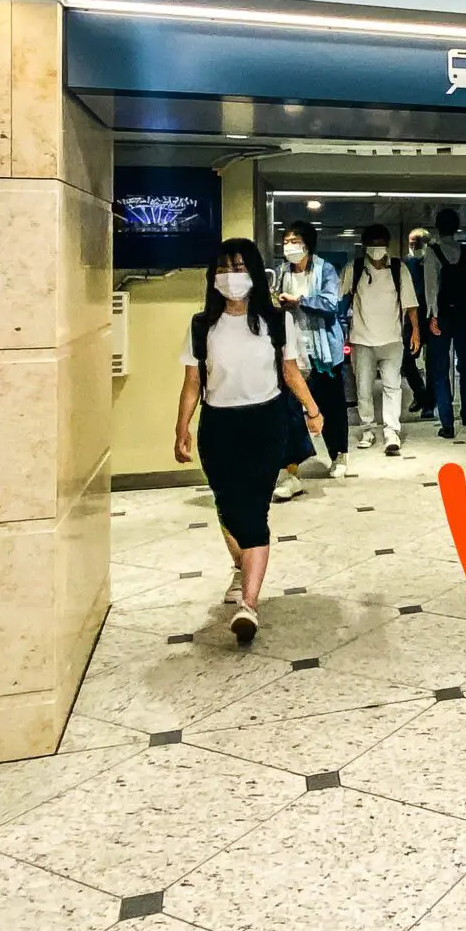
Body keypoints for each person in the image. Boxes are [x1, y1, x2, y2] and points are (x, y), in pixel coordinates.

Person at [175, 239, 327, 643]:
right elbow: (192, 382)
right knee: (227, 504)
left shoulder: (276, 322)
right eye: (224, 269)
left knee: (255, 510)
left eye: (240, 268)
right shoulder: (201, 326)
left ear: (255, 273)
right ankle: (241, 566)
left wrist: (313, 410)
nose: (232, 277)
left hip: (265, 422)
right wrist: (181, 428)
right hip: (218, 426)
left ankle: (249, 604)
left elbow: (290, 372)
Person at [273, 220, 352, 482]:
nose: (289, 247)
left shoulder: (325, 270)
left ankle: (339, 454)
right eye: (286, 242)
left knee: (331, 405)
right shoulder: (281, 272)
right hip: (292, 350)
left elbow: (331, 304)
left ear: (308, 245)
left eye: (295, 242)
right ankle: (290, 470)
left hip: (323, 352)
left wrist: (300, 301)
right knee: (290, 411)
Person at [343, 223, 419, 457]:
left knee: (392, 387)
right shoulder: (354, 268)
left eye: (380, 244)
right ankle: (367, 429)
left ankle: (391, 432)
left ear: (387, 245)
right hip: (361, 340)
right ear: (365, 246)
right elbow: (338, 298)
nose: (377, 248)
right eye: (372, 244)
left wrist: (416, 332)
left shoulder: (398, 268)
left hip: (392, 340)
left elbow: (411, 304)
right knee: (363, 388)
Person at [424, 207, 466, 440]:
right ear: (457, 227)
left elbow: (431, 286)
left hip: (442, 315)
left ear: (437, 228)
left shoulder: (433, 252)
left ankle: (447, 424)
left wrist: (432, 316)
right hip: (464, 316)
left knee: (440, 369)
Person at [402, 227, 434, 417]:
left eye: (417, 243)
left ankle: (429, 403)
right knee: (407, 360)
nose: (413, 246)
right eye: (411, 243)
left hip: (432, 316)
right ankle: (420, 394)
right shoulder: (406, 263)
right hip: (412, 317)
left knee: (433, 363)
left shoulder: (433, 261)